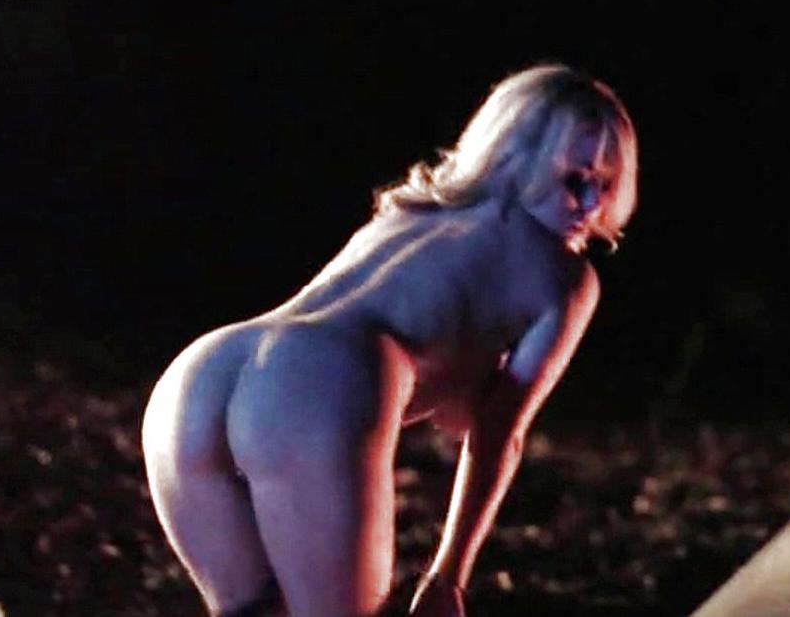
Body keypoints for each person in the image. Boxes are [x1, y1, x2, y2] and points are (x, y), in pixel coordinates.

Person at [141, 63, 639, 616]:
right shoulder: (564, 276)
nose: (591, 207)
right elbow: (500, 435)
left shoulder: (409, 213)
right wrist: (449, 573)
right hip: (314, 382)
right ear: (517, 159)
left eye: (606, 186)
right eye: (575, 180)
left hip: (203, 373)